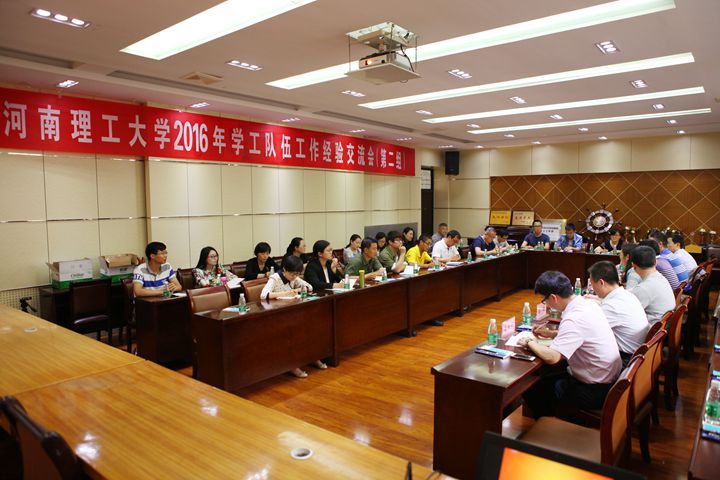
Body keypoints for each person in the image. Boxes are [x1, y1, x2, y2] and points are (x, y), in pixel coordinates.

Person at [518, 271, 622, 418]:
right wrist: (551, 333)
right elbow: (580, 335)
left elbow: (553, 357)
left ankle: (548, 425)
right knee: (546, 376)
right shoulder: (587, 304)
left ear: (553, 298)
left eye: (544, 300)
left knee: (531, 387)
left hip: (594, 390)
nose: (546, 304)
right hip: (608, 378)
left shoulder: (574, 318)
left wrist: (530, 342)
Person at [260, 255, 324, 378]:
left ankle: (313, 357)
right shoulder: (275, 278)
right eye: (292, 274)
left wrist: (298, 290)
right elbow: (263, 295)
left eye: (297, 274)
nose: (294, 276)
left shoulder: (294, 277)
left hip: (292, 313)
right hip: (277, 316)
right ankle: (292, 366)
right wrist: (286, 293)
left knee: (313, 328)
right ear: (284, 269)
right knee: (295, 333)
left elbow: (309, 287)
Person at [588, 261, 649, 366]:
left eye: (592, 284)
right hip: (638, 355)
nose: (592, 289)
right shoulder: (627, 295)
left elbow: (589, 330)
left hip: (626, 360)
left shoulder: (612, 306)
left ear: (601, 283)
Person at [627, 246, 676, 326]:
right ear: (655, 262)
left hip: (651, 329)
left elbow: (627, 311)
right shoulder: (661, 278)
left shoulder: (644, 288)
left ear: (634, 266)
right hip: (663, 327)